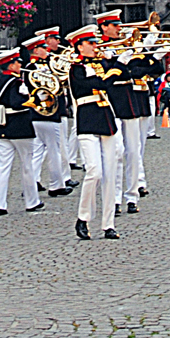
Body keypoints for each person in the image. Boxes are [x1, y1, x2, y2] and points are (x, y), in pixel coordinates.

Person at [67, 23, 127, 240]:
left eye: (95, 43)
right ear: (79, 46)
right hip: (87, 118)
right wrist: (116, 66)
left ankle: (108, 224)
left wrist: (122, 59)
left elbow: (121, 77)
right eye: (90, 43)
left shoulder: (101, 63)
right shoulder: (76, 69)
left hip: (106, 117)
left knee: (110, 172)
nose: (95, 46)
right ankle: (83, 218)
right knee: (94, 171)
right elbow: (99, 84)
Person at [100, 9, 160, 213]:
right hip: (112, 99)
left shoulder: (126, 44)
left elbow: (144, 67)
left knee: (134, 151)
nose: (120, 28)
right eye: (115, 25)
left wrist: (150, 46)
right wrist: (115, 61)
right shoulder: (98, 47)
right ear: (104, 27)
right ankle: (115, 198)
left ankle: (132, 196)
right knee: (116, 153)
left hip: (129, 99)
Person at [0, 48, 43, 216]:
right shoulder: (15, 82)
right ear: (11, 65)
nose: (20, 65)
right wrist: (35, 99)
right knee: (27, 166)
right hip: (19, 127)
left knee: (2, 167)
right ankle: (32, 201)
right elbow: (17, 103)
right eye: (17, 62)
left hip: (2, 126)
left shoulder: (0, 80)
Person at [23, 35, 74, 198]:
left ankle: (32, 182)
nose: (47, 50)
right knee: (54, 150)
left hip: (40, 113)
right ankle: (56, 185)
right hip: (48, 111)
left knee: (38, 150)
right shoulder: (32, 68)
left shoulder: (44, 65)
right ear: (36, 50)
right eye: (43, 48)